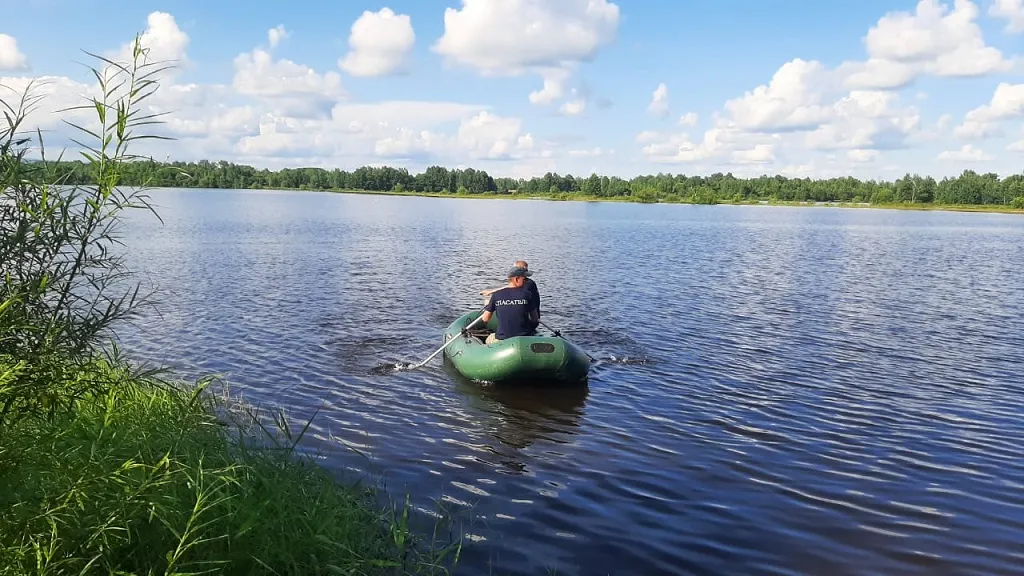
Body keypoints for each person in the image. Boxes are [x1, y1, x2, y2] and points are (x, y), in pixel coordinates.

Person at [480, 266, 539, 344]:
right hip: (524, 338)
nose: (527, 281)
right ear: (516, 279)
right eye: (525, 279)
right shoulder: (528, 295)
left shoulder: (496, 295)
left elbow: (485, 319)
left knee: (488, 339)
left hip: (503, 339)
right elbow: (535, 319)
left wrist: (494, 307)